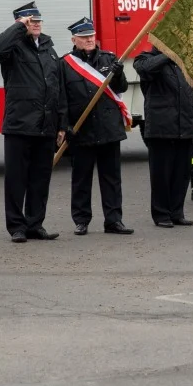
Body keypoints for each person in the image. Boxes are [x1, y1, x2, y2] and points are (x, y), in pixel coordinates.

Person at [0, 1, 68, 243]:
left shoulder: (49, 49)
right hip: (19, 125)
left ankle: (35, 224)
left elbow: (59, 89)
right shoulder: (13, 48)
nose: (35, 24)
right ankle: (17, 226)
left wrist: (61, 124)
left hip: (46, 126)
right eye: (29, 21)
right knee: (16, 179)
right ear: (20, 23)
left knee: (40, 178)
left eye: (37, 20)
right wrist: (18, 28)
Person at [61, 17, 133, 236]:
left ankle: (114, 220)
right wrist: (65, 125)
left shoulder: (109, 59)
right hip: (82, 129)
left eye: (91, 36)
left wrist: (119, 72)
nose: (89, 39)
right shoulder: (65, 64)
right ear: (74, 39)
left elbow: (121, 89)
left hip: (108, 128)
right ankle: (81, 220)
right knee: (81, 178)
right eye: (84, 37)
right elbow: (61, 98)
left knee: (111, 178)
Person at [133, 47, 193, 228]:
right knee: (161, 174)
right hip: (161, 128)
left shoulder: (184, 62)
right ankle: (161, 214)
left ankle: (177, 212)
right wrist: (168, 55)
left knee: (181, 173)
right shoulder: (147, 57)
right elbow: (144, 68)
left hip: (185, 127)